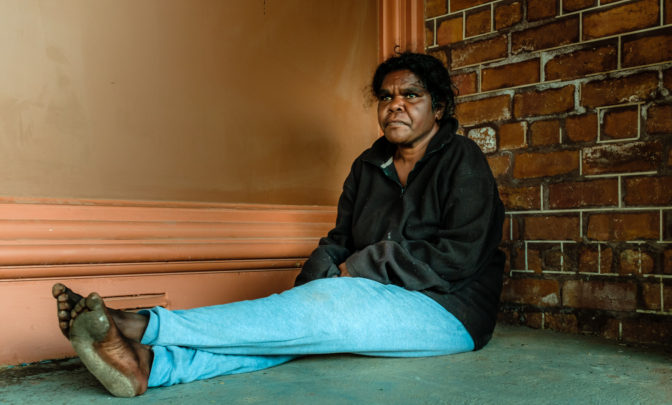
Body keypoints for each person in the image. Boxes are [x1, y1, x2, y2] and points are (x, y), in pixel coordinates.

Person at [52, 52, 506, 398]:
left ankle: (143, 325)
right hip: (368, 298)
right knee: (296, 328)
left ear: (439, 108)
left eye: (411, 96)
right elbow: (339, 241)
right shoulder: (368, 166)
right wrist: (308, 289)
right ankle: (150, 366)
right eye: (386, 97)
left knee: (323, 308)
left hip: (449, 311)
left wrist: (361, 269)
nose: (395, 106)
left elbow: (460, 256)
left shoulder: (461, 160)